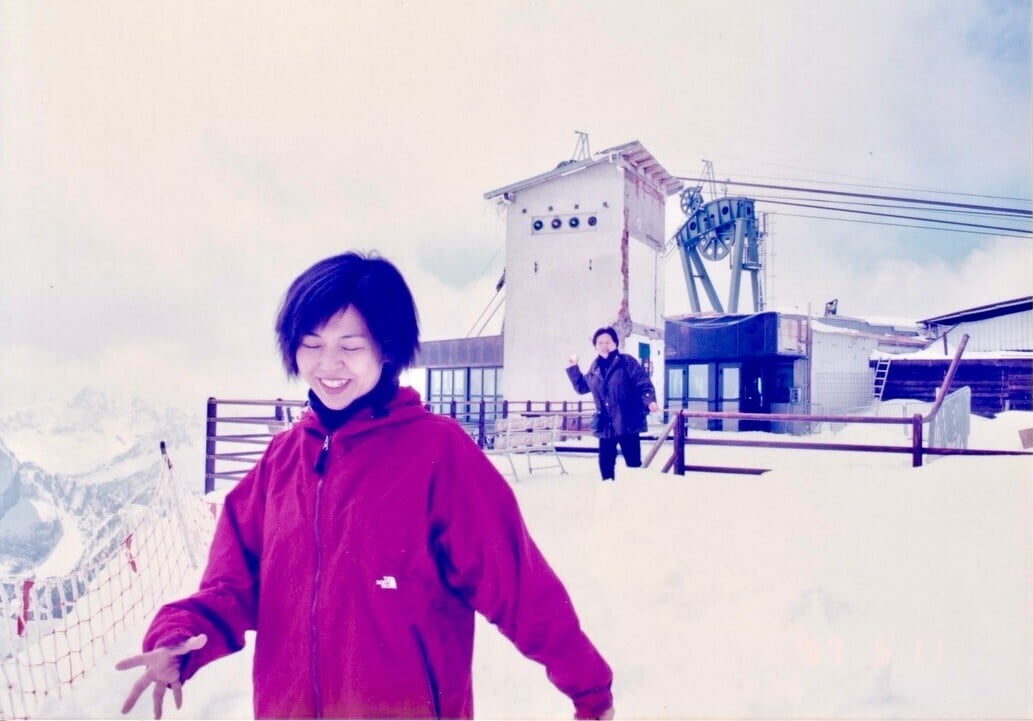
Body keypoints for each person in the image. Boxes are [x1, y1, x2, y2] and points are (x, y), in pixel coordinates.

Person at [117, 252, 614, 720]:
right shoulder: (280, 461)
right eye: (311, 344)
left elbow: (520, 587)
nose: (327, 365)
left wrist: (589, 691)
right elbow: (231, 587)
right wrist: (179, 638)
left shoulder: (438, 454)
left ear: (387, 349)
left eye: (350, 347)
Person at [566, 327, 659, 482]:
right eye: (600, 343)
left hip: (627, 421)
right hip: (606, 424)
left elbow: (642, 383)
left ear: (615, 343)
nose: (604, 345)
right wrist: (573, 368)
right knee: (605, 465)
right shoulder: (595, 367)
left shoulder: (626, 362)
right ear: (595, 346)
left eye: (608, 342)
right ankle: (609, 492)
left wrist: (650, 401)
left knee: (633, 463)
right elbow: (582, 387)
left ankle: (635, 492)